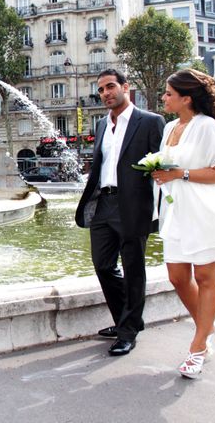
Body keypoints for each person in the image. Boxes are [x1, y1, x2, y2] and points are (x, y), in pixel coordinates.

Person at [152, 69, 215, 378]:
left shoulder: (206, 126)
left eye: (169, 93)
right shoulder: (170, 126)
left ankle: (197, 348)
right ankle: (206, 330)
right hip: (176, 211)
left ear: (187, 98)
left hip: (203, 210)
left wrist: (178, 173)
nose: (164, 97)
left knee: (206, 277)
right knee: (177, 277)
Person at [76, 69, 165, 356]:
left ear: (126, 87)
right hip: (104, 203)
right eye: (101, 89)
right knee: (103, 265)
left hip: (133, 206)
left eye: (110, 87)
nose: (105, 93)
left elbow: (159, 166)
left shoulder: (150, 122)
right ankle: (126, 320)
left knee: (134, 268)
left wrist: (158, 206)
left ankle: (127, 331)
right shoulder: (102, 124)